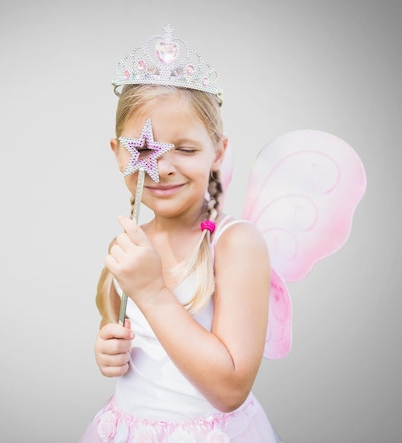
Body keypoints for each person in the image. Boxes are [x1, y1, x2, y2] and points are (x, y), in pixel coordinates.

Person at [78, 25, 281, 442]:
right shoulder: (130, 246)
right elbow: (117, 324)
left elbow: (229, 389)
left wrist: (152, 291)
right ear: (118, 153)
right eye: (145, 150)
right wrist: (108, 348)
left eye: (186, 150)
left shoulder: (234, 245)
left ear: (218, 152)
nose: (164, 167)